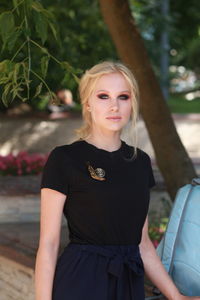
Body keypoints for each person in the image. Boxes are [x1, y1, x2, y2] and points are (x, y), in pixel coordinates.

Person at [34, 61, 200, 300]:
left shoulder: (140, 162)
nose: (114, 106)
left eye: (123, 96)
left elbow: (142, 243)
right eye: (103, 96)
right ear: (88, 103)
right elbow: (48, 245)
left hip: (128, 283)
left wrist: (176, 297)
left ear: (132, 103)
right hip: (81, 283)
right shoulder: (65, 158)